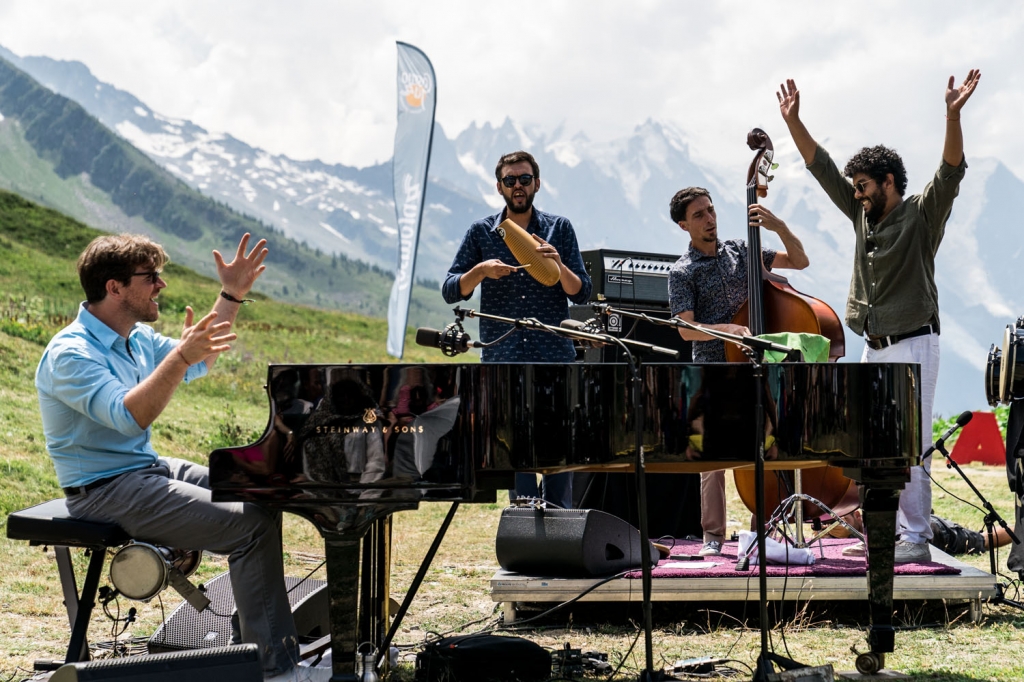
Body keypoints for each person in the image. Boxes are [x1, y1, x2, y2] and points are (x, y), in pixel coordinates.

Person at [35, 233, 328, 682]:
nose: (161, 285)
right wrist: (179, 356)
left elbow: (199, 356)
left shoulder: (132, 337)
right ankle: (276, 672)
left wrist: (231, 296)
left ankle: (250, 644)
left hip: (141, 471)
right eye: (150, 277)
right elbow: (130, 416)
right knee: (248, 528)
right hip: (103, 491)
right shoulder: (72, 354)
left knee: (256, 492)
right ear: (114, 288)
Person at [777, 70, 981, 563]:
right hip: (874, 344)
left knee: (910, 441)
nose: (858, 194)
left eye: (864, 185)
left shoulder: (920, 214)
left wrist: (952, 116)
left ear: (889, 182)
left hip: (915, 341)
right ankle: (883, 525)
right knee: (873, 440)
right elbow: (821, 168)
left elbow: (950, 171)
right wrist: (794, 122)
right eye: (856, 188)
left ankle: (916, 537)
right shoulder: (861, 214)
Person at [442, 150, 592, 509]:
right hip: (503, 357)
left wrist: (558, 265)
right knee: (516, 452)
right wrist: (480, 271)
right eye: (510, 180)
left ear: (537, 183)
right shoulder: (482, 232)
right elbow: (450, 289)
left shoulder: (559, 228)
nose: (518, 186)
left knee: (557, 452)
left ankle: (560, 535)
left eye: (525, 179)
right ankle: (524, 535)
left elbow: (581, 290)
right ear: (499, 187)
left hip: (553, 356)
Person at [667, 186, 810, 556]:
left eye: (711, 211)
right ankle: (712, 538)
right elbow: (685, 328)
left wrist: (778, 225)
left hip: (754, 369)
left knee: (764, 450)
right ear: (684, 225)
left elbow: (799, 261)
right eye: (698, 215)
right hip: (711, 369)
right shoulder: (682, 272)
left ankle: (762, 531)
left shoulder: (742, 251)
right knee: (709, 459)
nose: (709, 219)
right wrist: (727, 329)